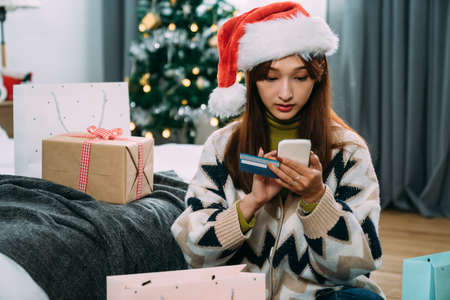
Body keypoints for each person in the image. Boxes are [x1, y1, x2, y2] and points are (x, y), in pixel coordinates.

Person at [171, 2, 384, 299]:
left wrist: (316, 200)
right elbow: (194, 253)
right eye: (271, 77)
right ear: (252, 80)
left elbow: (359, 265)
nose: (285, 92)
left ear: (317, 77)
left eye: (300, 77)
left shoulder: (347, 150)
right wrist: (251, 205)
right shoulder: (223, 146)